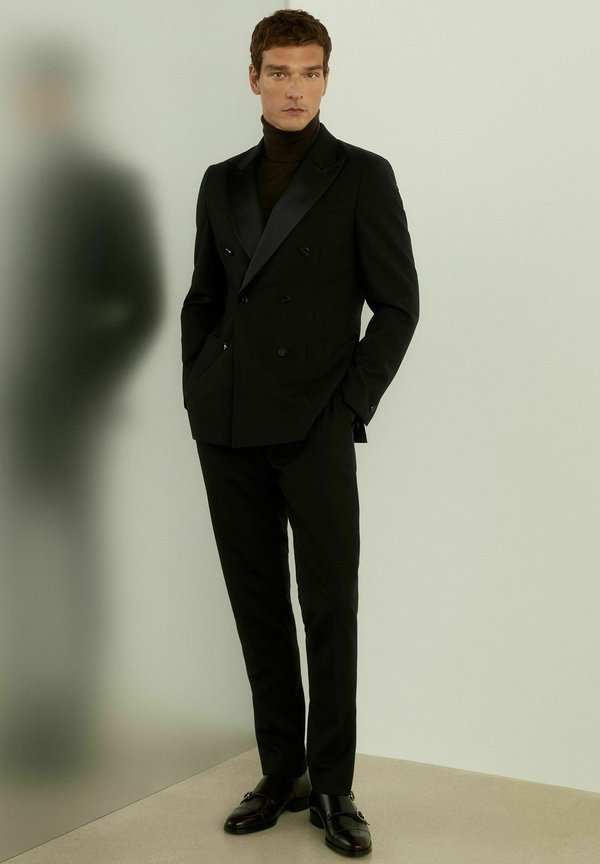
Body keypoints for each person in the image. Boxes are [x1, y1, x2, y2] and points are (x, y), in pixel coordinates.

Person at [181, 9, 418, 857]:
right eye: (279, 72)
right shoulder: (221, 181)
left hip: (316, 421)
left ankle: (335, 786)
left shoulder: (362, 175)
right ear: (254, 78)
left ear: (326, 79)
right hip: (228, 423)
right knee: (257, 605)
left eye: (310, 72)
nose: (294, 89)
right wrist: (197, 387)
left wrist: (349, 406)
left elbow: (398, 306)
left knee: (328, 607)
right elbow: (204, 297)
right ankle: (280, 771)